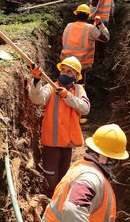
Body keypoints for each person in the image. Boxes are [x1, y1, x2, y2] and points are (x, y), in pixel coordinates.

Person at [36, 124, 130, 222]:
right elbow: (73, 211)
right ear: (106, 158)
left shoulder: (83, 167)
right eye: (116, 159)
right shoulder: (90, 179)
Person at [29, 57, 90, 196]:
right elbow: (37, 98)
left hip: (68, 143)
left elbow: (85, 108)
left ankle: (59, 203)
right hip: (52, 142)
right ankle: (47, 203)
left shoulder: (79, 90)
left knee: (63, 178)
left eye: (69, 72)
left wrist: (67, 96)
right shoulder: (50, 87)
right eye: (63, 70)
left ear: (75, 76)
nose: (65, 73)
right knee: (50, 178)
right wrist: (37, 80)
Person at [60, 4, 110, 84]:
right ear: (88, 16)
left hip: (66, 61)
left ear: (76, 14)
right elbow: (106, 38)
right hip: (81, 63)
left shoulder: (69, 26)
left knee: (64, 83)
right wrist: (100, 24)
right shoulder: (90, 28)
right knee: (79, 86)